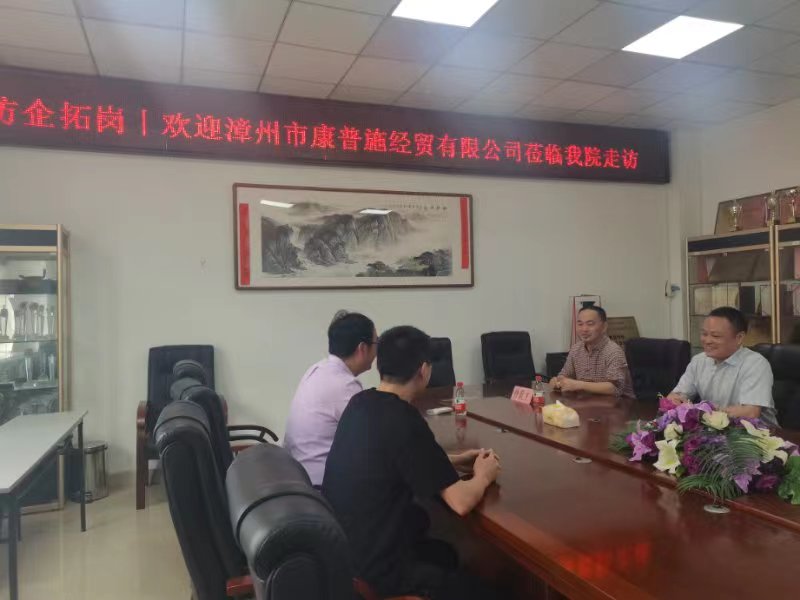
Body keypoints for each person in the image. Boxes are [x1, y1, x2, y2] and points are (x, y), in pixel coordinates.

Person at [322, 326, 501, 600]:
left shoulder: (361, 403)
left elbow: (392, 459)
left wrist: (452, 460)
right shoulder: (403, 418)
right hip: (378, 571)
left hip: (348, 555)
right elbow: (461, 502)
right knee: (488, 590)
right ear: (424, 370)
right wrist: (483, 475)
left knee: (445, 554)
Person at [283, 310, 377, 487]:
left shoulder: (317, 369)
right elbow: (374, 440)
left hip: (297, 475)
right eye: (376, 343)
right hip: (320, 487)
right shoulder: (345, 385)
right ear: (363, 349)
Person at [667, 306, 776, 426]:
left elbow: (750, 412)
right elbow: (675, 396)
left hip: (758, 433)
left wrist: (700, 413)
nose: (707, 340)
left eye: (715, 336)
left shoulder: (755, 364)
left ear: (739, 338)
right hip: (712, 430)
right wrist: (676, 400)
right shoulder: (699, 361)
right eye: (704, 334)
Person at [550, 305, 634, 397]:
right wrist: (558, 381)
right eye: (580, 324)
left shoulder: (614, 351)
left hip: (619, 403)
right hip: (586, 402)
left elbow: (615, 388)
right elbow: (565, 374)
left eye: (590, 324)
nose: (584, 329)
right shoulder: (576, 349)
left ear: (604, 327)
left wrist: (579, 385)